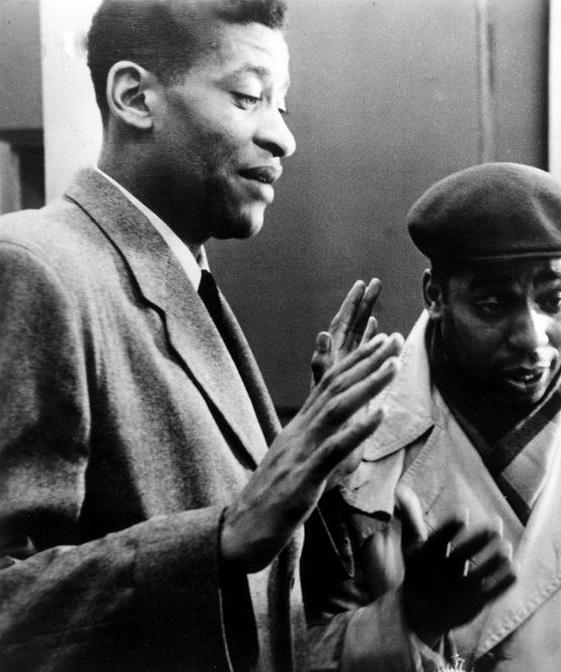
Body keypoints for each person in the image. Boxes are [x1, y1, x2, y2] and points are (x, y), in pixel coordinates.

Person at [0, 1, 403, 670]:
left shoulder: (181, 279)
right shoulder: (32, 267)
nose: (283, 138)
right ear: (135, 98)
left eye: (282, 106)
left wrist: (328, 468)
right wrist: (222, 535)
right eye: (248, 97)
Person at [301, 162, 561, 671]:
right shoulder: (355, 441)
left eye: (553, 300)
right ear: (435, 296)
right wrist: (408, 619)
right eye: (494, 305)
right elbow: (297, 650)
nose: (533, 336)